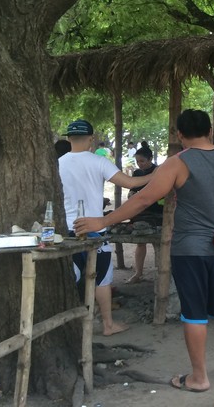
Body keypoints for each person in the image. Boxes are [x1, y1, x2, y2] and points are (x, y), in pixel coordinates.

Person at [75, 109, 214, 393]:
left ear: (180, 135)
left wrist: (104, 220)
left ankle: (199, 378)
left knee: (195, 312)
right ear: (209, 131)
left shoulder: (177, 163)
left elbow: (144, 199)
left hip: (189, 250)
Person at [59, 119, 154, 336]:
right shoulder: (98, 162)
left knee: (72, 275)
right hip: (94, 228)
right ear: (91, 139)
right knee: (101, 276)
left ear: (68, 138)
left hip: (68, 229)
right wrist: (156, 175)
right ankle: (108, 324)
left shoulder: (59, 162)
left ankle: (68, 326)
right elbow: (130, 183)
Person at [125, 145, 163, 284]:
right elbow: (133, 191)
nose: (139, 164)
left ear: (150, 159)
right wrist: (132, 194)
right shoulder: (136, 174)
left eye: (142, 161)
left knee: (158, 243)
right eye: (137, 161)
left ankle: (161, 274)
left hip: (157, 211)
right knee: (141, 243)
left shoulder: (159, 171)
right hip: (141, 212)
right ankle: (138, 273)